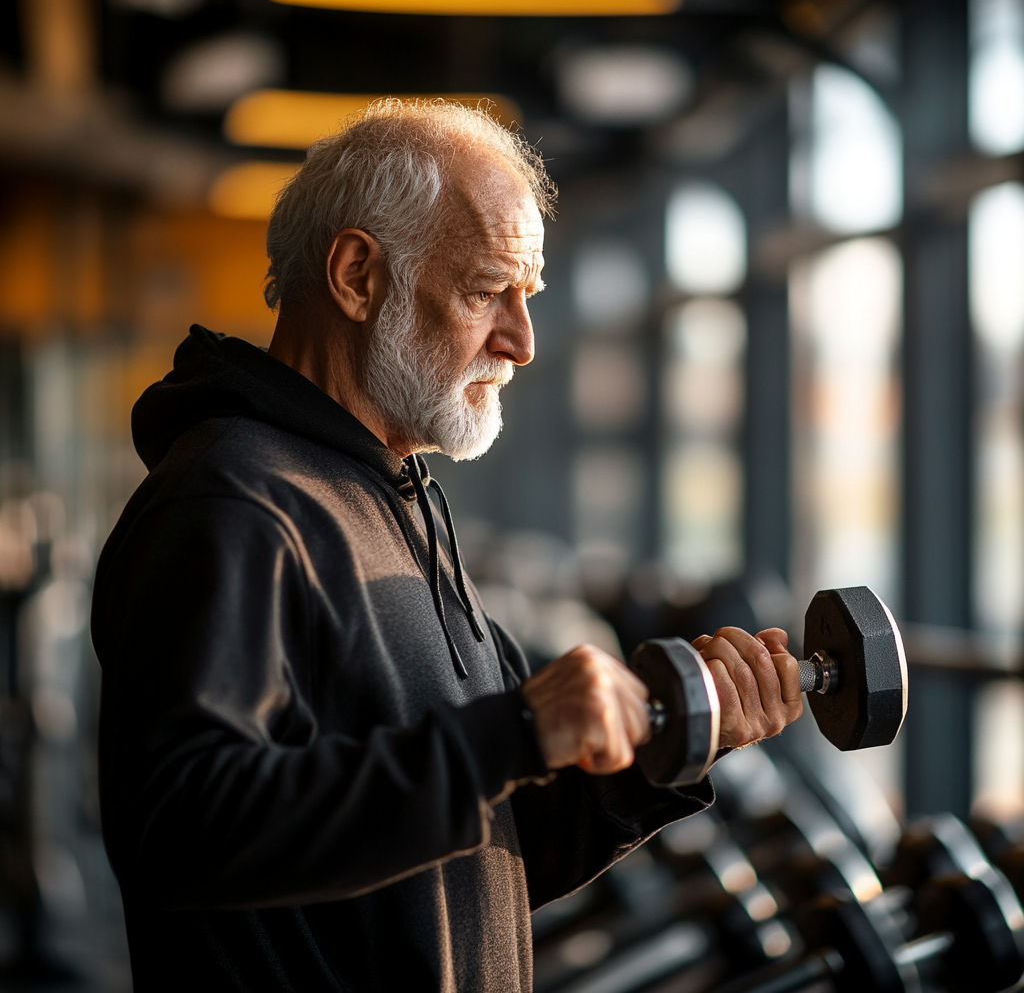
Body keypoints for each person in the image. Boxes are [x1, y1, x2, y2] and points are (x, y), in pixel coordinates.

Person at [92, 100, 803, 993]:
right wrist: (510, 731)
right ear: (357, 275)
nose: (522, 342)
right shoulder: (232, 503)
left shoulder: (394, 492)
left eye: (526, 297)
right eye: (484, 291)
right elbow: (181, 833)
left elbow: (487, 849)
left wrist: (668, 749)